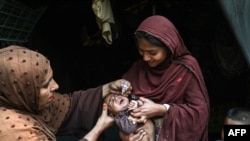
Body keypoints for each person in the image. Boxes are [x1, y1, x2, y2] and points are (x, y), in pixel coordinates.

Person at [0, 45, 141, 141]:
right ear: (22, 91)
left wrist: (108, 88)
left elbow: (68, 106)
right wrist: (98, 128)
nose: (56, 86)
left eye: (52, 78)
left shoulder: (20, 98)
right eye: (45, 85)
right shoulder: (12, 131)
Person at [122, 15, 210, 141]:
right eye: (141, 51)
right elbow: (119, 101)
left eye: (152, 53)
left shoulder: (185, 68)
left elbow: (200, 113)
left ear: (169, 47)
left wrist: (162, 109)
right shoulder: (138, 68)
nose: (146, 58)